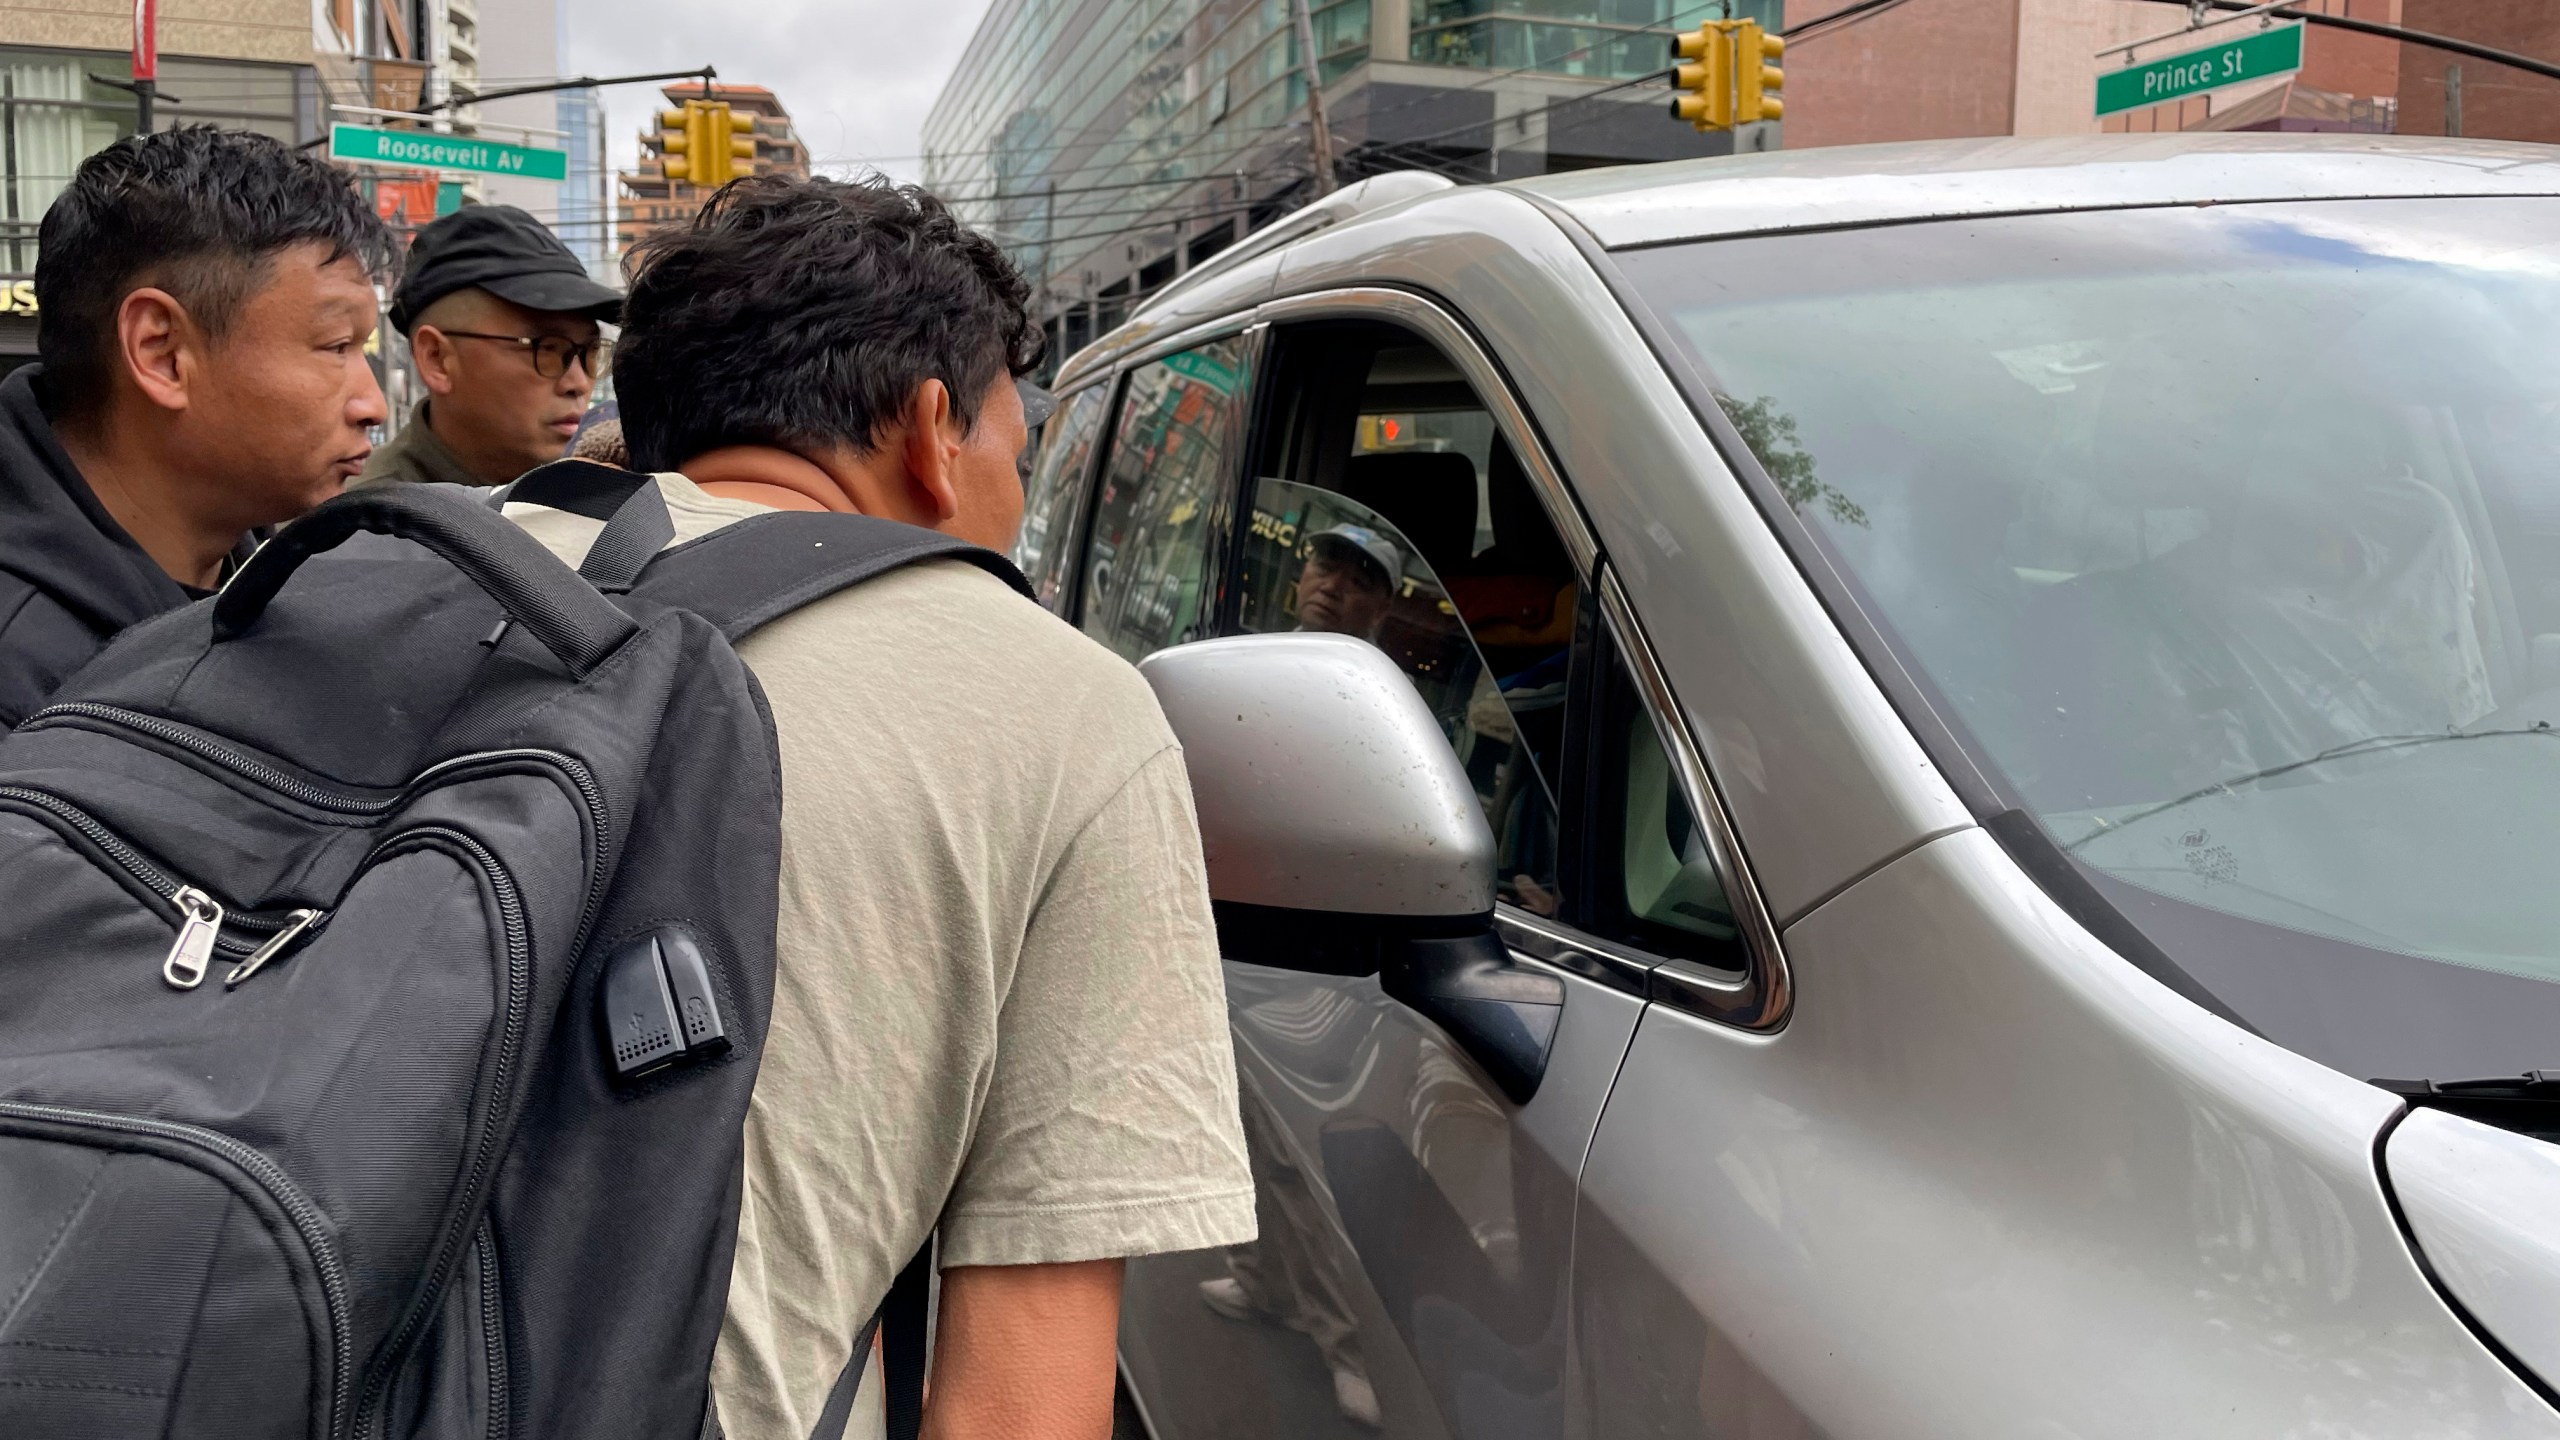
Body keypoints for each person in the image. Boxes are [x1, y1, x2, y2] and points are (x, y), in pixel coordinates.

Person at [502, 174, 1253, 1439]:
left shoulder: (354, 574)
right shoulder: (1060, 707)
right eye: (1012, 447)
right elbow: (1014, 1400)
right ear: (929, 432)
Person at [0, 127, 389, 727]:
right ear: (162, 353)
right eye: (335, 345)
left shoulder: (275, 584)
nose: (373, 404)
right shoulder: (25, 681)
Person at [359, 204, 619, 488]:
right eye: (547, 349)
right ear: (437, 359)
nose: (579, 383)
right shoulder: (367, 521)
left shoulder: (607, 496)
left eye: (591, 352)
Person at [1293, 523, 1401, 640]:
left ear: (1380, 610)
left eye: (1356, 582)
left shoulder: (1371, 659)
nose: (1330, 588)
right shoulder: (1276, 644)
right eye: (1324, 567)